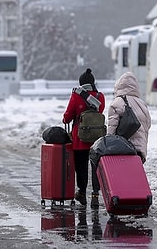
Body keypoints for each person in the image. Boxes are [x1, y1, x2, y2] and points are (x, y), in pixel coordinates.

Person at [63, 68, 105, 208]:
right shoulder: (100, 97)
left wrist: (65, 119)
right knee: (95, 168)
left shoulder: (77, 96)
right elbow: (99, 113)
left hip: (80, 139)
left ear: (81, 83)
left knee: (81, 167)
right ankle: (95, 195)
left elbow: (68, 116)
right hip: (96, 140)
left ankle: (81, 193)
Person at [107, 71, 151, 163]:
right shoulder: (142, 104)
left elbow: (112, 126)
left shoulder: (117, 102)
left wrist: (108, 145)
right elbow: (147, 126)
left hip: (122, 148)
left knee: (122, 175)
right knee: (134, 175)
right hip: (139, 150)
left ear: (119, 86)